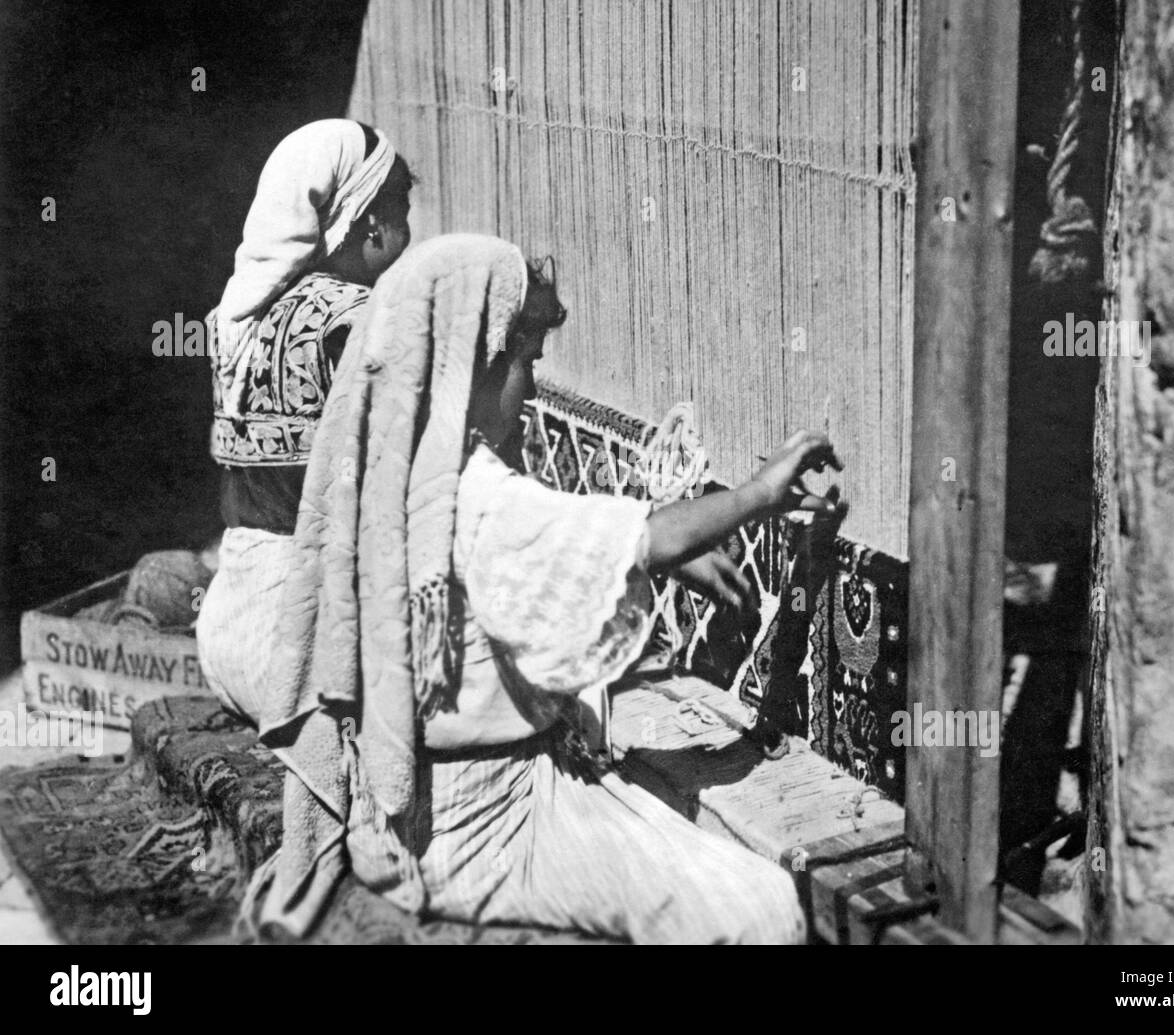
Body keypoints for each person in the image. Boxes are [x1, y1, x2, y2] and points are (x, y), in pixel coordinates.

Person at [243, 233, 845, 945]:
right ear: (474, 366)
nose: (530, 387)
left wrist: (646, 553)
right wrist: (758, 492)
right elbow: (629, 534)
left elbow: (549, 540)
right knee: (760, 907)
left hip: (399, 821)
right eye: (526, 363)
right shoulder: (467, 492)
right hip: (485, 832)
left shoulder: (383, 469)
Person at [197, 118, 412, 723]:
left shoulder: (233, 317)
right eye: (402, 202)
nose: (407, 225)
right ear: (369, 219)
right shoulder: (356, 318)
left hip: (226, 637)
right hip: (304, 650)